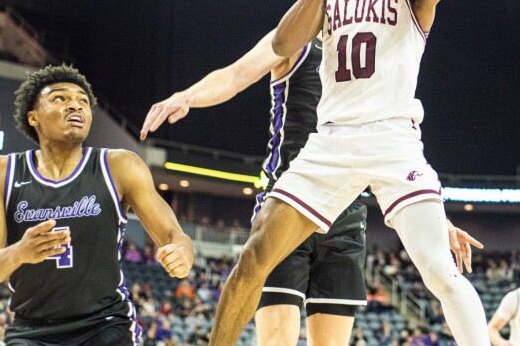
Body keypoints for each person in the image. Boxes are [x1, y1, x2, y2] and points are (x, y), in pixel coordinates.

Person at [207, 0, 493, 345]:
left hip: (392, 140)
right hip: (331, 142)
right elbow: (282, 46)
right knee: (254, 257)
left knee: (438, 270)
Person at [141, 29, 484, 345]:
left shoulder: (375, 58)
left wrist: (434, 219)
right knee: (277, 338)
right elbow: (235, 75)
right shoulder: (298, 37)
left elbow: (392, 148)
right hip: (287, 202)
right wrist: (187, 96)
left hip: (345, 212)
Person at [0, 65, 194, 346]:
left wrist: (183, 250)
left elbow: (173, 235)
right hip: (31, 330)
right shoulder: (0, 171)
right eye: (60, 98)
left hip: (104, 325)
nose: (75, 104)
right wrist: (19, 253)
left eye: (82, 100)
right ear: (34, 117)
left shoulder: (119, 166)